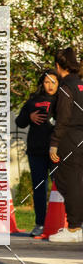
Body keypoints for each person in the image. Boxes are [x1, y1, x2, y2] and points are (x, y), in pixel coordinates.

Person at [15, 69, 59, 236]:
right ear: (42, 83)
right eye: (47, 82)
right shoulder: (34, 101)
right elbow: (19, 122)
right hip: (36, 151)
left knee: (60, 188)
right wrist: (29, 116)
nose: (50, 85)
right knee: (39, 188)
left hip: (56, 152)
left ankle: (62, 224)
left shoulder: (62, 100)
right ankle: (40, 223)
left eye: (53, 82)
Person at [48, 47, 83, 243]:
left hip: (69, 138)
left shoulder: (65, 87)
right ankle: (77, 226)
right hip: (80, 137)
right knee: (77, 181)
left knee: (66, 181)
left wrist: (54, 143)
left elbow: (63, 118)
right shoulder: (81, 85)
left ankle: (74, 228)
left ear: (58, 66)